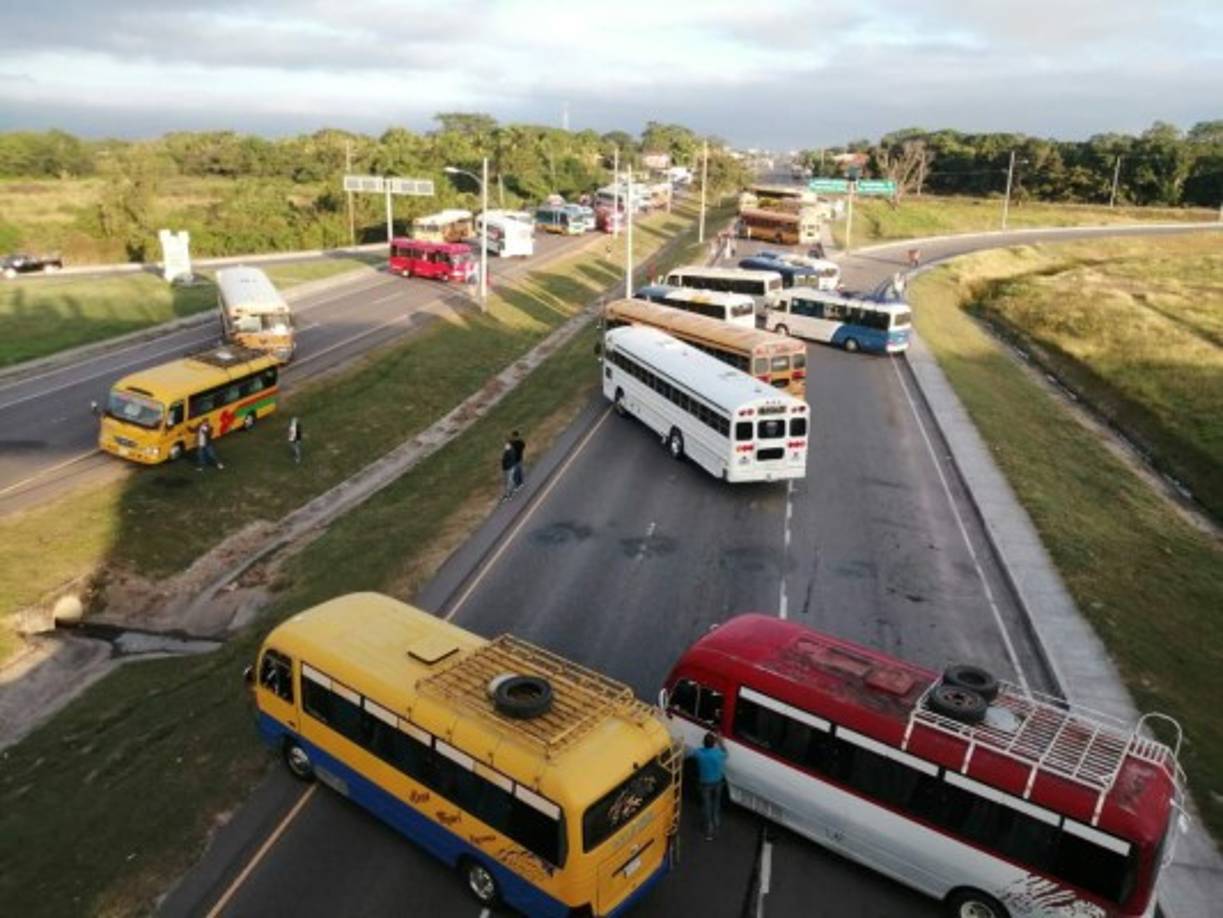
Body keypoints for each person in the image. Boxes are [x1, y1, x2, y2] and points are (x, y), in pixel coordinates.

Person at [687, 731, 728, 841]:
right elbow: (726, 753)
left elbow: (691, 755)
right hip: (718, 782)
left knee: (706, 806)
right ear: (714, 743)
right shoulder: (719, 753)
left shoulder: (699, 753)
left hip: (705, 784)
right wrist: (721, 742)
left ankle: (709, 831)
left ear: (703, 742)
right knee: (716, 803)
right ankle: (716, 822)